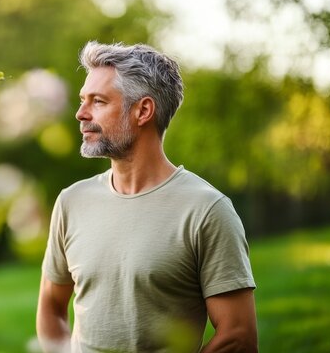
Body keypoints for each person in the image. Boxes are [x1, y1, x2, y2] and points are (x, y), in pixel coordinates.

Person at [36, 41, 258, 353]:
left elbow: (238, 336)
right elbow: (51, 305)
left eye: (97, 101)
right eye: (82, 100)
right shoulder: (71, 201)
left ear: (143, 110)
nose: (80, 114)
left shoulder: (207, 210)